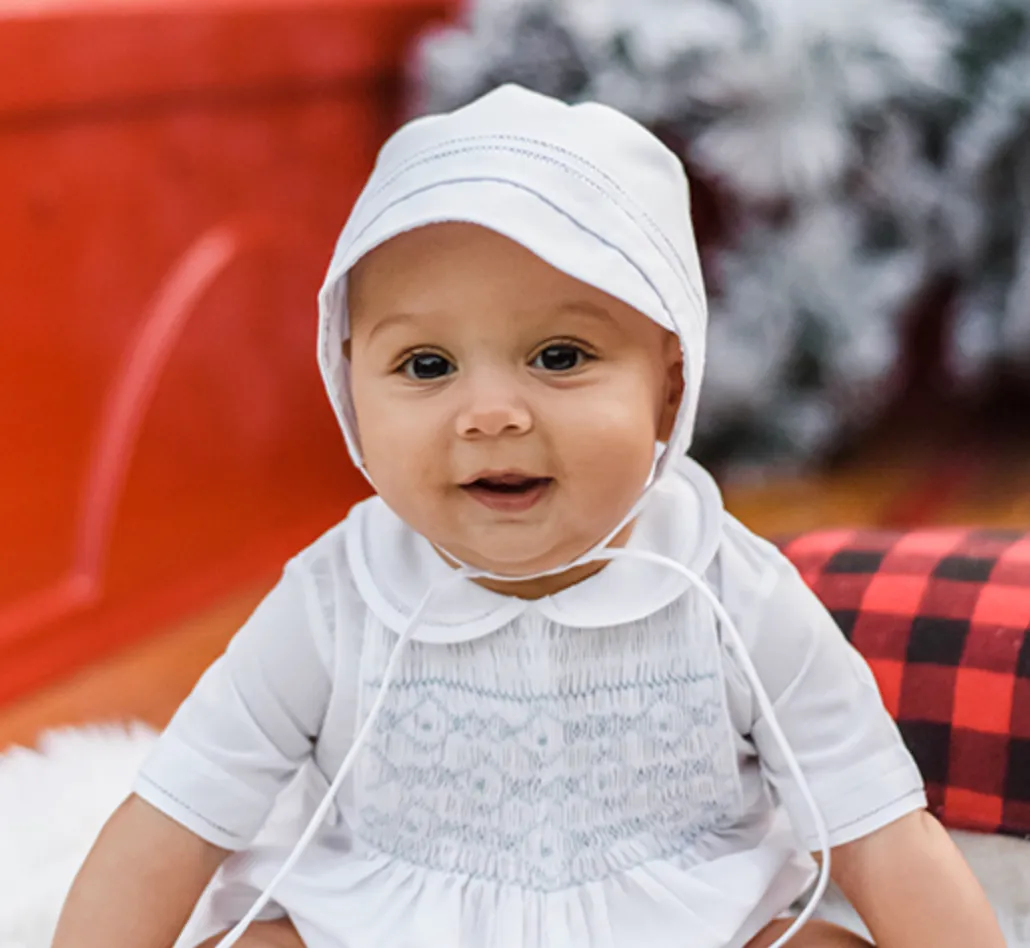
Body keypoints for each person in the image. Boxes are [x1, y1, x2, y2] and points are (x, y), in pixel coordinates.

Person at [53, 85, 1004, 948]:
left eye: (559, 355)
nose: (491, 414)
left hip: (682, 923)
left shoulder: (731, 590)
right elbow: (175, 815)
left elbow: (879, 828)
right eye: (426, 366)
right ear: (349, 390)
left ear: (669, 391)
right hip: (386, 923)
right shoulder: (338, 596)